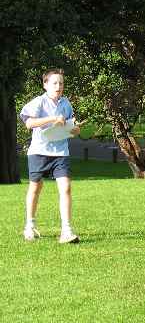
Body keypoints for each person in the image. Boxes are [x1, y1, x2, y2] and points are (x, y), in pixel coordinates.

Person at [20, 68, 80, 244]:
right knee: (35, 188)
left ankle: (66, 231)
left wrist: (75, 130)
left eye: (61, 83)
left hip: (60, 152)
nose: (58, 86)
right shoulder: (38, 102)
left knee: (66, 187)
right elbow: (29, 123)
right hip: (39, 152)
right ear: (45, 85)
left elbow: (70, 126)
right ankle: (29, 226)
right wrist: (52, 119)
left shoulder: (66, 104)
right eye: (54, 83)